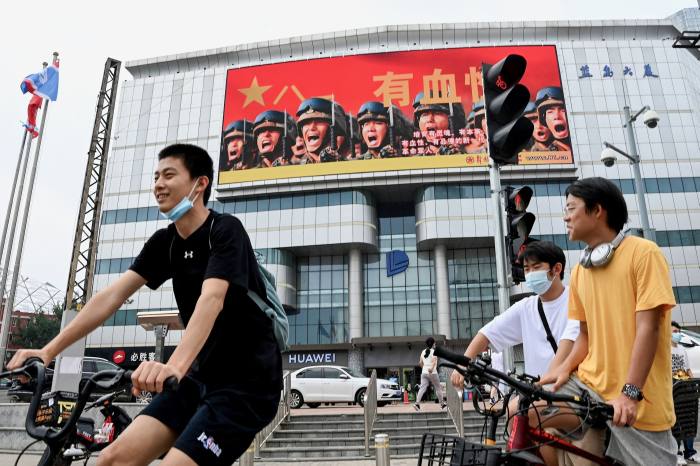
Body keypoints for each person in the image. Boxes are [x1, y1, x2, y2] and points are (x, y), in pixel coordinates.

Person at [8, 144, 283, 466]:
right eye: (155, 177)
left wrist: (172, 367)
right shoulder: (164, 243)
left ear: (200, 183)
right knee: (112, 458)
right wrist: (48, 351)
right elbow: (110, 297)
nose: (158, 185)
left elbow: (212, 299)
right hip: (196, 378)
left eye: (169, 175)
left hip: (247, 383)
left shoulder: (223, 231)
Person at [538, 177, 677, 466]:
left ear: (597, 210)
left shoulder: (643, 253)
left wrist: (630, 393)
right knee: (522, 411)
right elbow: (585, 337)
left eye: (571, 208)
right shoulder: (579, 272)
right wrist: (563, 369)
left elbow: (648, 328)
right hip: (586, 386)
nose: (565, 216)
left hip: (636, 398)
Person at [450, 241, 579, 391]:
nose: (530, 274)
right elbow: (487, 333)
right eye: (526, 269)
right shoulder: (526, 307)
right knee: (511, 412)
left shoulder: (576, 298)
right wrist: (463, 363)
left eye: (536, 268)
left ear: (557, 268)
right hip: (538, 393)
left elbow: (570, 340)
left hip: (573, 391)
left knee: (515, 410)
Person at [671, 321, 697, 464]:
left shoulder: (682, 349)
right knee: (676, 422)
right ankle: (677, 452)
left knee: (689, 420)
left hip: (685, 387)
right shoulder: (664, 349)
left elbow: (688, 370)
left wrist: (692, 384)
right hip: (674, 388)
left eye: (678, 331)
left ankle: (690, 452)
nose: (677, 334)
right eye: (674, 332)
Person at [295, 97, 350, 163]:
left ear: (335, 129)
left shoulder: (349, 167)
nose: (312, 127)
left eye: (319, 121)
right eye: (306, 123)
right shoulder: (292, 168)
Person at [535, 87, 571, 152]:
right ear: (544, 119)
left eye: (563, 110)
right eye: (550, 112)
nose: (557, 116)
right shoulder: (550, 154)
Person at [414, 337, 446, 410]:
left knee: (422, 388)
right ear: (432, 343)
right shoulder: (434, 351)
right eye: (434, 343)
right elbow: (434, 361)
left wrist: (424, 369)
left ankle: (417, 404)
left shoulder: (423, 351)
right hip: (433, 372)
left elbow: (420, 363)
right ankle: (442, 404)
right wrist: (431, 369)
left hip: (424, 372)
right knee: (438, 388)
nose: (435, 344)